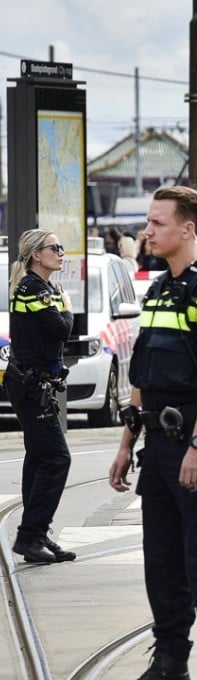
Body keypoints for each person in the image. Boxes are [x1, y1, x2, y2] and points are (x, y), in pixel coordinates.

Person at [108, 186, 197, 680]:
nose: (147, 231)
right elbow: (141, 375)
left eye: (157, 223)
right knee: (162, 564)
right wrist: (126, 443)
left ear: (188, 228)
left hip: (196, 446)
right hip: (157, 448)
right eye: (148, 222)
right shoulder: (158, 290)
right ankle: (170, 661)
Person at [3, 230, 76, 564]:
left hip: (34, 385)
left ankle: (36, 533)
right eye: (54, 248)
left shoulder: (41, 288)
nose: (61, 253)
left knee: (38, 458)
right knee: (57, 459)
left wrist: (60, 306)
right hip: (33, 387)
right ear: (36, 255)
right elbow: (61, 330)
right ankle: (30, 535)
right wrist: (68, 308)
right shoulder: (34, 289)